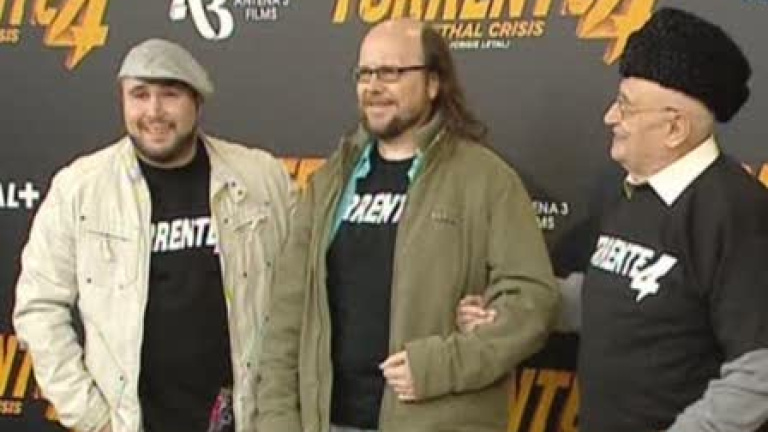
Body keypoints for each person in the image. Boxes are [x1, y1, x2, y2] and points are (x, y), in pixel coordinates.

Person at [255, 18, 559, 432]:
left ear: (433, 83)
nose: (373, 86)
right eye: (364, 73)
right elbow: (286, 320)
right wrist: (276, 422)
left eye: (391, 72)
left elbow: (532, 302)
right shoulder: (328, 184)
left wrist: (440, 366)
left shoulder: (488, 180)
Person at [13, 38, 294, 432]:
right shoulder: (79, 188)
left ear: (197, 101)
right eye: (140, 95)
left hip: (243, 419)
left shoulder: (261, 178)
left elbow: (303, 296)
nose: (154, 111)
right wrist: (94, 418)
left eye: (170, 94)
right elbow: (38, 307)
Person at [578, 8, 768, 431]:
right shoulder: (626, 190)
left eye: (625, 107)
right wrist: (522, 303)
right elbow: (616, 292)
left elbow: (758, 368)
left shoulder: (737, 212)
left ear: (675, 129)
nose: (610, 118)